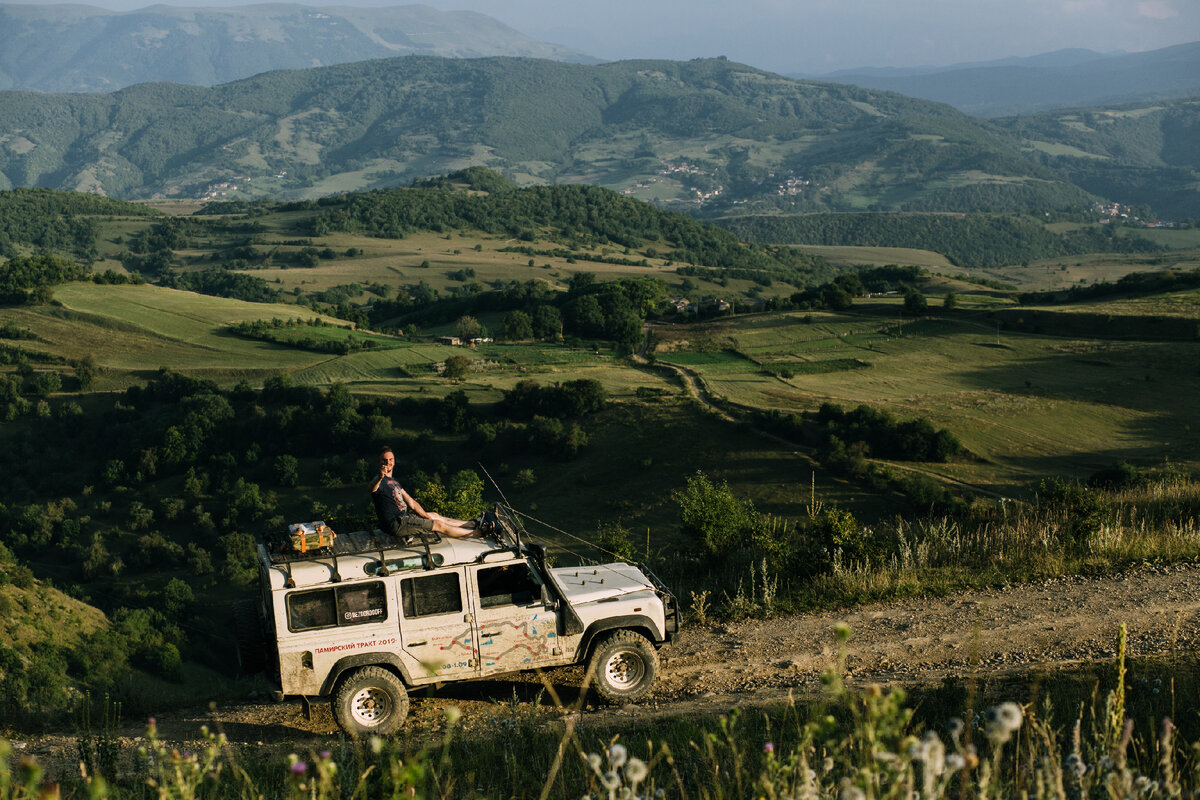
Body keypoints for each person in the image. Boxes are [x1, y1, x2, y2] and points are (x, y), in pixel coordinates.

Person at [368, 447, 478, 539]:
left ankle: (471, 524)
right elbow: (371, 489)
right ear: (379, 462)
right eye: (384, 460)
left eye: (391, 459)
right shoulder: (379, 480)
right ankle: (477, 533)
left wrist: (425, 516)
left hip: (404, 518)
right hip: (396, 524)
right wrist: (379, 476)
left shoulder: (394, 481)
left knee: (434, 515)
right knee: (438, 525)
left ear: (394, 460)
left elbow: (411, 502)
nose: (388, 462)